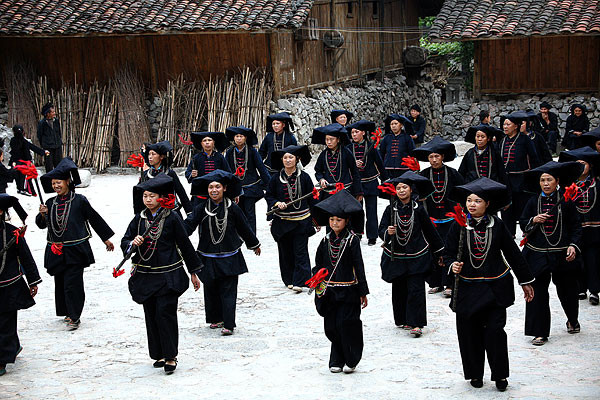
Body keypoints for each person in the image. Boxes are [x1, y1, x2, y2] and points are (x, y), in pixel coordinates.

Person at [446, 177, 534, 392]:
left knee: (495, 332)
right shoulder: (459, 225)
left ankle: (500, 375)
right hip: (467, 288)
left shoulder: (498, 225)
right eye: (469, 200)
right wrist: (452, 265)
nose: (472, 205)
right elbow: (447, 253)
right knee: (469, 333)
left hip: (495, 288)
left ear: (487, 204)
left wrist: (525, 281)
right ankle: (475, 373)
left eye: (477, 201)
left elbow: (513, 253)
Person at [122, 173, 202, 374]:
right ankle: (157, 353)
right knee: (150, 314)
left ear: (161, 198)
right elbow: (126, 240)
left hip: (168, 276)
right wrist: (133, 243)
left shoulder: (171, 217)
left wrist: (193, 271)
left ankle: (170, 356)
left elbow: (184, 244)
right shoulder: (138, 219)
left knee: (165, 313)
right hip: (145, 275)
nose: (148, 200)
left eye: (151, 196)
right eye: (145, 196)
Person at [35, 157, 115, 330]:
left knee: (73, 283)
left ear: (68, 182)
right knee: (61, 282)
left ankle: (75, 315)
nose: (56, 186)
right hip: (55, 249)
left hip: (76, 249)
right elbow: (42, 225)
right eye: (54, 183)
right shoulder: (50, 203)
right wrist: (42, 214)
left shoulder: (80, 201)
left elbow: (94, 218)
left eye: (59, 182)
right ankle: (66, 311)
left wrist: (105, 238)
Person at [185, 170, 260, 335]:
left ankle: (229, 323)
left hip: (230, 255)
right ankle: (215, 318)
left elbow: (244, 227)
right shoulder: (201, 209)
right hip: (207, 255)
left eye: (217, 187)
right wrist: (176, 234)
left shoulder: (233, 208)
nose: (214, 190)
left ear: (225, 188)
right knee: (210, 288)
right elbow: (188, 225)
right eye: (211, 187)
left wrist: (254, 244)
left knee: (228, 290)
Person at [520, 161, 584, 346]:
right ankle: (540, 332)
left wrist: (573, 245)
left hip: (563, 254)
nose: (545, 184)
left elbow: (576, 226)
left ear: (557, 181)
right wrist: (533, 219)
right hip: (538, 253)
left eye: (549, 180)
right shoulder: (533, 201)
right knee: (537, 293)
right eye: (542, 180)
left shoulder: (566, 201)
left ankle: (572, 319)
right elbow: (523, 222)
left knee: (568, 291)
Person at [378, 171, 443, 337]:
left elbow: (430, 231)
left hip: (417, 255)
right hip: (397, 256)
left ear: (411, 190)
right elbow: (381, 230)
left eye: (404, 187)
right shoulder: (390, 209)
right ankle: (402, 319)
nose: (401, 191)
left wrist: (440, 252)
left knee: (416, 289)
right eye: (398, 188)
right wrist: (388, 232)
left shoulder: (419, 209)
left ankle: (416, 323)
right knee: (399, 288)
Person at [310, 190, 368, 374]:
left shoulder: (352, 241)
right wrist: (316, 276)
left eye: (339, 220)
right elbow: (318, 264)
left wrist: (363, 291)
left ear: (346, 221)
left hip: (349, 291)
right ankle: (336, 358)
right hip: (330, 292)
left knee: (347, 324)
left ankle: (351, 358)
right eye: (332, 219)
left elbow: (359, 267)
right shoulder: (324, 242)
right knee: (332, 326)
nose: (335, 223)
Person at [413, 136, 464, 297]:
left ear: (442, 157)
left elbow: (462, 192)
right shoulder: (423, 174)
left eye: (437, 156)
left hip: (450, 218)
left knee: (450, 250)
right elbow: (414, 193)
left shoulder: (453, 174)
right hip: (431, 218)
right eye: (431, 157)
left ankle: (449, 283)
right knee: (432, 250)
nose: (434, 160)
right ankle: (435, 282)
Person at [0, 195, 41, 377]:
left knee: (6, 322)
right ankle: (13, 346)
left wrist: (33, 280)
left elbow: (25, 257)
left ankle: (2, 359)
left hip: (9, 285)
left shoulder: (12, 233)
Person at [265, 145, 316, 292]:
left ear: (297, 159)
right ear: (282, 160)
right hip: (282, 222)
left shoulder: (305, 177)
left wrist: (316, 220)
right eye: (285, 158)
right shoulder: (275, 178)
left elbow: (312, 198)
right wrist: (276, 203)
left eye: (291, 157)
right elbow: (269, 195)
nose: (288, 160)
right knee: (285, 252)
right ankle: (289, 279)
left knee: (300, 251)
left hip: (302, 221)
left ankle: (301, 281)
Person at [558, 147, 600, 305]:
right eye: (578, 164)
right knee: (577, 260)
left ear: (590, 165)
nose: (581, 167)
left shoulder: (596, 185)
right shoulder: (568, 187)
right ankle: (580, 288)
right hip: (575, 229)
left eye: (584, 163)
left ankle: (594, 290)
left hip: (595, 229)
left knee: (593, 259)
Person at [346, 119, 388, 245]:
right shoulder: (348, 148)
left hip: (370, 182)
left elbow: (379, 164)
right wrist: (354, 163)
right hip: (355, 184)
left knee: (371, 210)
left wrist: (385, 180)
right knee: (356, 210)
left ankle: (372, 236)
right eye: (352, 132)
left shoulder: (371, 147)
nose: (354, 135)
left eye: (356, 132)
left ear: (363, 133)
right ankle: (357, 233)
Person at [499, 111, 541, 237]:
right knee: (506, 207)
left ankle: (526, 230)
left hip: (522, 179)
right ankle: (509, 234)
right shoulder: (502, 141)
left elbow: (534, 159)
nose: (505, 127)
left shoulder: (525, 140)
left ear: (516, 126)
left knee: (522, 206)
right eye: (504, 124)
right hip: (506, 180)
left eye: (508, 124)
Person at [224, 126, 271, 233]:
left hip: (251, 186)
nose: (239, 139)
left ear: (245, 138)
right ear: (233, 138)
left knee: (250, 212)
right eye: (237, 136)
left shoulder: (252, 151)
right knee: (237, 211)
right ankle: (239, 235)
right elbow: (226, 169)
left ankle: (252, 235)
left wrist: (269, 184)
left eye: (241, 136)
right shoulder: (230, 152)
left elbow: (261, 168)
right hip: (236, 187)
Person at [137, 141, 192, 216]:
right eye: (149, 154)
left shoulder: (170, 174)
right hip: (152, 212)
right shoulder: (146, 175)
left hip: (171, 212)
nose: (150, 157)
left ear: (161, 157)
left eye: (153, 154)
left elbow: (181, 193)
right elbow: (139, 194)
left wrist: (189, 214)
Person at [313, 123, 363, 202]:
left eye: (331, 139)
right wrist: (321, 179)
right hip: (328, 192)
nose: (329, 142)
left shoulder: (346, 152)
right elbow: (318, 170)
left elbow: (355, 172)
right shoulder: (323, 154)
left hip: (345, 190)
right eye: (327, 139)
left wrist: (358, 191)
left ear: (338, 139)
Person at [184, 131, 230, 207]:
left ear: (213, 143)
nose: (207, 143)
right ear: (201, 144)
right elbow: (188, 173)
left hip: (216, 193)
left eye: (209, 140)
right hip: (200, 194)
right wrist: (192, 174)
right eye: (204, 141)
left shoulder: (220, 157)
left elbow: (228, 173)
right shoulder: (196, 158)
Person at [9, 124, 49, 196]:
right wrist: (43, 152)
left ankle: (20, 188)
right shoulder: (24, 141)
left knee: (19, 176)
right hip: (25, 163)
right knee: (26, 177)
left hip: (17, 162)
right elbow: (33, 147)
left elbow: (15, 152)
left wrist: (14, 161)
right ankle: (25, 189)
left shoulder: (13, 141)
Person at [379, 114, 415, 179]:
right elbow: (381, 152)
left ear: (401, 125)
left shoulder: (407, 138)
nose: (393, 126)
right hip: (388, 168)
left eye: (396, 123)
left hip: (403, 169)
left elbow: (412, 153)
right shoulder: (386, 138)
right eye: (391, 124)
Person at [36, 103, 63, 172]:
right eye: (52, 112)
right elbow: (39, 135)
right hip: (48, 148)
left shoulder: (56, 121)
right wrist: (44, 145)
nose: (54, 113)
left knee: (59, 165)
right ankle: (50, 181)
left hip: (57, 146)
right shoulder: (42, 123)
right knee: (49, 166)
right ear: (47, 113)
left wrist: (58, 141)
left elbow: (59, 132)